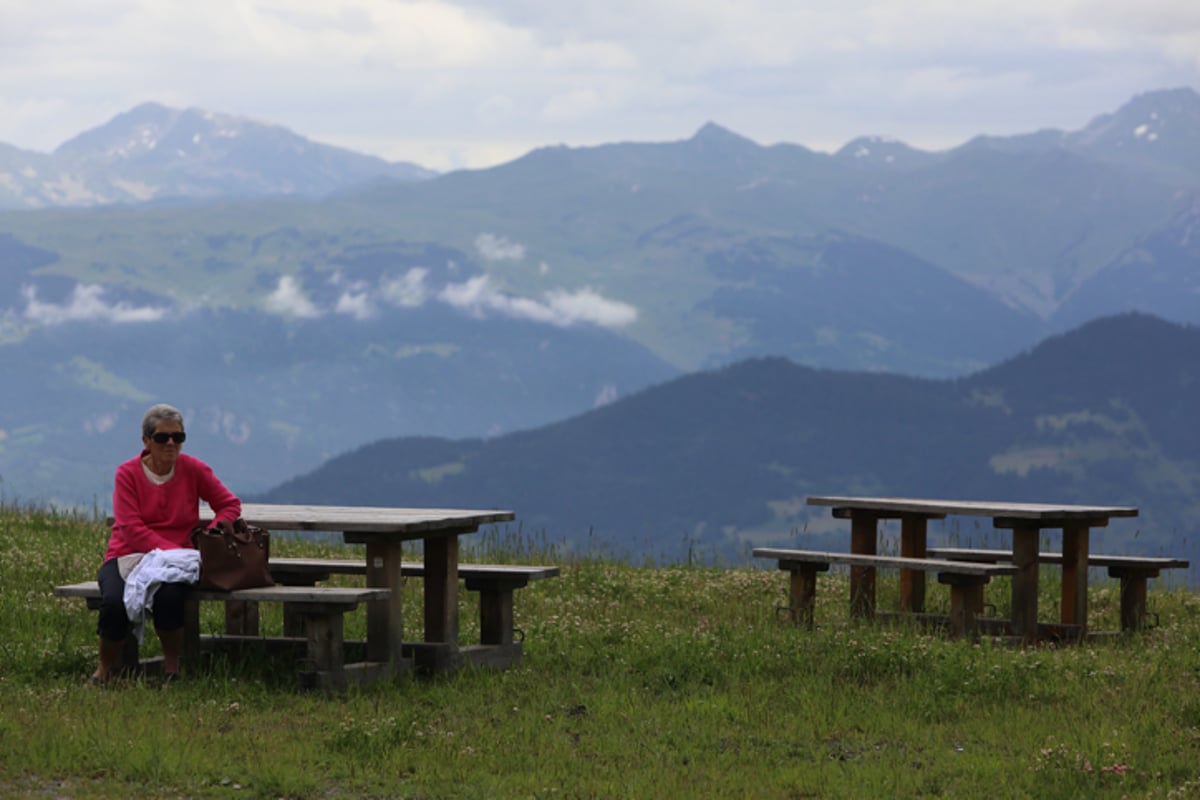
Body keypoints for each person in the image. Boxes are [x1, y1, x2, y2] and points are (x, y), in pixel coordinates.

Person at [93, 403, 241, 683]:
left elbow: (229, 505)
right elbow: (131, 529)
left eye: (178, 437)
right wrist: (176, 552)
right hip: (128, 555)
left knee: (169, 597)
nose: (171, 444)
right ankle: (104, 670)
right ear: (146, 441)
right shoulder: (127, 474)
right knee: (113, 602)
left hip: (177, 561)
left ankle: (172, 668)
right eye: (163, 437)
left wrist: (210, 534)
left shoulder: (194, 469)